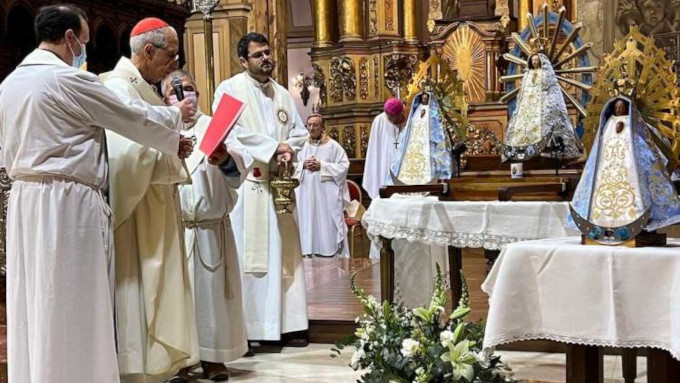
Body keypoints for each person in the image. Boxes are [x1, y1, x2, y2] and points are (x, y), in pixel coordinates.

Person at [0, 5, 193, 383]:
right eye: (84, 42)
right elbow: (128, 117)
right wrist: (174, 130)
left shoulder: (9, 84)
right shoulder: (70, 80)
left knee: (35, 301)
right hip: (68, 201)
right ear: (70, 38)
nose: (84, 51)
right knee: (73, 299)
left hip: (23, 199)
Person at [102, 18, 200, 383]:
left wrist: (173, 145)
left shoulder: (141, 86)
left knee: (159, 286)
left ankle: (159, 366)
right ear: (148, 51)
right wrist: (171, 135)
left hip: (155, 202)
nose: (173, 64)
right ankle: (137, 369)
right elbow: (121, 150)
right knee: (140, 288)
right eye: (171, 56)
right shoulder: (117, 85)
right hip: (137, 207)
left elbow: (146, 136)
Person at [213, 32, 310, 347]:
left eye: (268, 53)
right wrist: (273, 147)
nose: (266, 59)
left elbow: (298, 131)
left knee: (287, 257)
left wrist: (287, 150)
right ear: (243, 61)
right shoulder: (229, 90)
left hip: (279, 187)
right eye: (258, 55)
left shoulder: (282, 93)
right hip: (250, 187)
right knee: (251, 259)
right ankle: (253, 328)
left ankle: (289, 325)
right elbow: (230, 133)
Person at [162, 69, 249, 381]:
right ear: (165, 100)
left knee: (212, 296)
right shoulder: (160, 129)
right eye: (177, 91)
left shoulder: (215, 125)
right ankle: (182, 360)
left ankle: (214, 358)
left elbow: (240, 172)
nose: (186, 96)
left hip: (212, 228)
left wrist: (224, 157)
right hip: (177, 229)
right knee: (180, 298)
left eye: (190, 88)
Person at [569, 97, 680, 242]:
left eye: (621, 107)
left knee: (635, 194)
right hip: (608, 171)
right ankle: (602, 222)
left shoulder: (635, 125)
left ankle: (635, 220)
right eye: (617, 108)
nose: (619, 110)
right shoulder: (608, 123)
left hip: (630, 170)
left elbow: (643, 148)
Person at [503, 53, 583, 162]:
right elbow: (523, 91)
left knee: (546, 121)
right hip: (528, 105)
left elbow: (550, 89)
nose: (535, 62)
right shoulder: (527, 74)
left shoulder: (546, 73)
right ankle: (523, 149)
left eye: (536, 60)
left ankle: (546, 149)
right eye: (533, 60)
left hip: (543, 102)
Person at [293, 114, 350, 258]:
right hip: (305, 192)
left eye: (315, 125)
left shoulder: (333, 146)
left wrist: (322, 166)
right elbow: (289, 166)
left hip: (326, 194)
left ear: (322, 127)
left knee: (326, 223)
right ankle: (307, 250)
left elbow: (344, 167)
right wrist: (302, 165)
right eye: (309, 125)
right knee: (307, 219)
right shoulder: (300, 146)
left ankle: (328, 250)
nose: (311, 128)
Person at [391, 91, 454, 184]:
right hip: (415, 142)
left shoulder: (432, 111)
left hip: (427, 142)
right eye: (423, 99)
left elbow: (436, 128)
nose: (424, 100)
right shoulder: (417, 109)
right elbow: (411, 125)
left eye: (425, 99)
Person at [362, 98, 406, 199]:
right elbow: (374, 151)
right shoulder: (379, 121)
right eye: (388, 116)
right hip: (385, 165)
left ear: (401, 113)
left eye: (392, 117)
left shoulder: (409, 120)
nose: (389, 119)